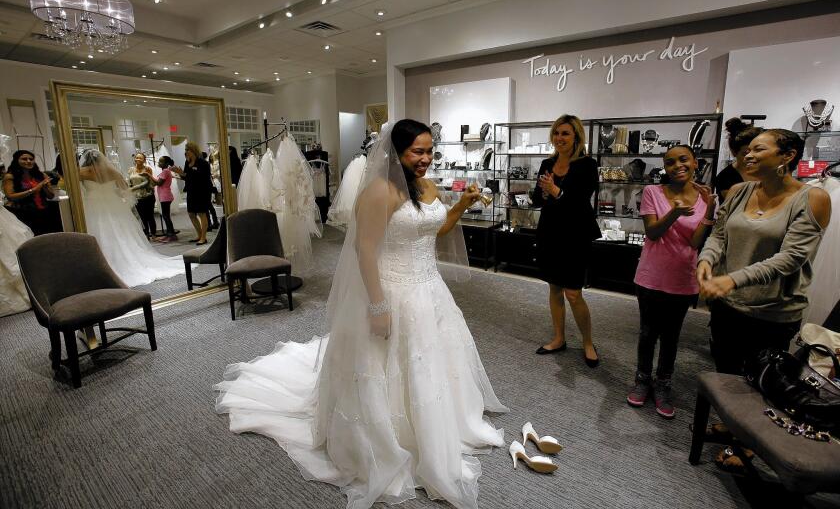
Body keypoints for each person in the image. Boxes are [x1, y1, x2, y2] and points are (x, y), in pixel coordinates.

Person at [216, 119, 508, 509]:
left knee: (430, 361)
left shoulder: (426, 186)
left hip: (429, 290)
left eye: (429, 151)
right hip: (393, 289)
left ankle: (434, 429)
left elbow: (434, 231)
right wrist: (378, 306)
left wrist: (461, 205)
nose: (425, 159)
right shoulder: (379, 192)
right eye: (416, 152)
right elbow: (364, 251)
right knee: (387, 365)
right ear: (396, 152)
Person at [696, 129, 830, 472]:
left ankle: (749, 445)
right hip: (729, 304)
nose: (748, 156)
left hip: (772, 310)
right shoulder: (740, 191)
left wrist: (731, 278)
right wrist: (706, 260)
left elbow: (791, 258)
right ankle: (733, 424)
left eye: (759, 149)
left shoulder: (812, 199)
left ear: (787, 156)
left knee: (762, 381)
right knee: (727, 372)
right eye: (747, 151)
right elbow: (720, 235)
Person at [626, 145, 716, 419]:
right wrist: (675, 212)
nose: (677, 165)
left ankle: (663, 384)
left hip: (683, 278)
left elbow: (695, 242)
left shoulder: (705, 198)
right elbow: (652, 232)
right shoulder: (653, 192)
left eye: (683, 159)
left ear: (695, 163)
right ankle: (642, 380)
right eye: (670, 161)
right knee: (647, 333)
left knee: (671, 337)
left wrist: (710, 209)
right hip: (651, 276)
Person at [532, 114, 601, 367]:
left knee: (573, 293)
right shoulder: (546, 163)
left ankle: (587, 342)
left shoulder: (587, 165)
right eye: (557, 133)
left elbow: (579, 202)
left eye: (566, 134)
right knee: (554, 287)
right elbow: (537, 200)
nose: (560, 138)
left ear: (576, 137)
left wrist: (556, 191)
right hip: (550, 232)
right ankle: (559, 338)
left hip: (575, 235)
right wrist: (544, 193)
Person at [78, 149, 183, 287]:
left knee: (99, 233)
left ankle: (102, 266)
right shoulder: (112, 171)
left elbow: (77, 191)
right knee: (121, 233)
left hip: (92, 205)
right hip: (113, 204)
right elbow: (124, 189)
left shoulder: (81, 172)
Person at [2, 150, 61, 235]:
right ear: (16, 160)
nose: (28, 161)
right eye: (24, 159)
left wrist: (45, 187)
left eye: (31, 159)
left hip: (42, 211)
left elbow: (51, 196)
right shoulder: (10, 176)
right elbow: (10, 196)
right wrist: (34, 189)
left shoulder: (41, 175)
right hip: (22, 212)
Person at [172, 142, 212, 245]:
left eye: (187, 150)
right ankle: (199, 235)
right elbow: (186, 177)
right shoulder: (187, 162)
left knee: (201, 213)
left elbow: (203, 178)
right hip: (191, 191)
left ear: (193, 150)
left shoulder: (203, 163)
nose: (186, 152)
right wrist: (180, 173)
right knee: (191, 214)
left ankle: (203, 237)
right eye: (185, 150)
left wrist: (186, 174)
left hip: (202, 191)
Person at [714, 118, 761, 200]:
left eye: (758, 151)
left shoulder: (766, 171)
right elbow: (737, 207)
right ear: (734, 152)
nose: (753, 157)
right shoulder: (726, 178)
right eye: (746, 153)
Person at [145, 156, 177, 241]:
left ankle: (171, 234)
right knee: (166, 216)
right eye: (159, 161)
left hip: (165, 196)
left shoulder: (165, 171)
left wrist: (149, 175)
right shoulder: (165, 171)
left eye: (161, 162)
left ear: (166, 163)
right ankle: (170, 233)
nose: (159, 163)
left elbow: (158, 183)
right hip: (165, 195)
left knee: (166, 216)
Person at [128, 153, 157, 239]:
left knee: (150, 216)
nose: (138, 159)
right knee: (141, 216)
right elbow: (129, 181)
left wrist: (134, 188)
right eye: (137, 158)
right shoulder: (131, 170)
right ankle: (146, 234)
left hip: (148, 195)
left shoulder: (147, 169)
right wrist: (129, 188)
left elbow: (148, 182)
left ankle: (154, 234)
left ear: (144, 160)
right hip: (137, 197)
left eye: (140, 158)